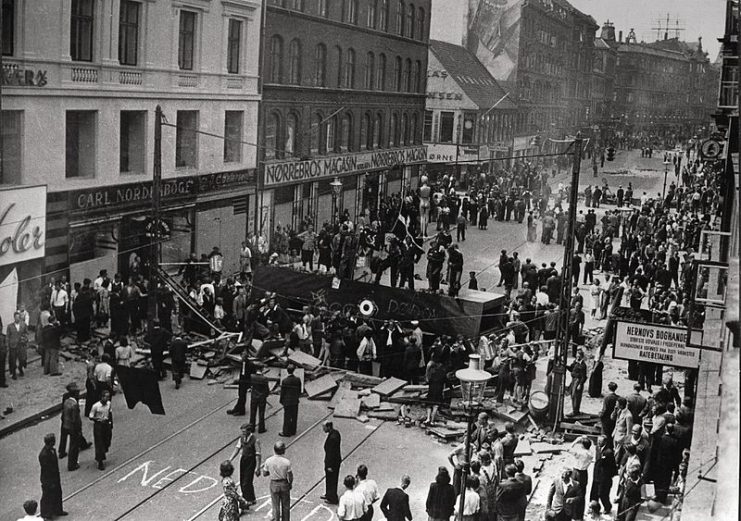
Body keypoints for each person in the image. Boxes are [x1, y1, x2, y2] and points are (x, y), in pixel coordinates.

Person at [229, 423, 261, 505]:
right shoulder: (242, 438)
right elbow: (237, 448)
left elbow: (258, 454)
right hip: (243, 460)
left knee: (247, 481)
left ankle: (247, 499)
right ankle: (251, 498)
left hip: (251, 461)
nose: (243, 433)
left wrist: (258, 467)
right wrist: (231, 459)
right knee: (242, 479)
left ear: (249, 431)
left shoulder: (255, 440)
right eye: (242, 431)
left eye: (244, 431)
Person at [262, 441, 293, 521]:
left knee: (275, 506)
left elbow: (264, 473)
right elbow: (290, 475)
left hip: (274, 483)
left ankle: (276, 519)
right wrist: (290, 483)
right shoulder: (286, 462)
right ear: (283, 451)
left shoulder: (268, 461)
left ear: (274, 450)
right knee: (285, 505)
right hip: (284, 483)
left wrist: (271, 472)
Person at [39, 433, 67, 518]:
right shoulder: (44, 455)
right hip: (48, 479)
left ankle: (58, 510)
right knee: (47, 496)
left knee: (58, 493)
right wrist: (51, 481)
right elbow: (46, 470)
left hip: (55, 476)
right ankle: (47, 513)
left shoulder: (52, 450)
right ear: (51, 442)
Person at [590, 436, 617, 516]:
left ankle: (607, 507)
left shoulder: (609, 452)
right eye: (598, 441)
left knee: (603, 494)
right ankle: (595, 509)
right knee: (594, 493)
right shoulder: (597, 448)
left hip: (605, 477)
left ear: (605, 442)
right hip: (597, 474)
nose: (598, 442)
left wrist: (609, 476)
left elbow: (612, 466)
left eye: (600, 441)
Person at [60, 382, 83, 471]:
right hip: (74, 428)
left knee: (72, 445)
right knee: (74, 447)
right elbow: (75, 419)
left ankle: (72, 463)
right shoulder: (74, 405)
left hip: (67, 426)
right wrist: (78, 429)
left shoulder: (66, 401)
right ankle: (72, 464)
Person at [88, 389, 113, 470]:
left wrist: (111, 423)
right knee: (99, 443)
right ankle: (100, 461)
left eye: (108, 397)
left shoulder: (109, 404)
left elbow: (110, 413)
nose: (107, 399)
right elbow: (91, 416)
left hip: (106, 424)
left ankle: (104, 450)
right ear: (102, 397)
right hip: (99, 425)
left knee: (107, 440)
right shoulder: (96, 406)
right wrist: (98, 419)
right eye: (106, 397)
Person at [228, 350, 255, 416]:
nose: (242, 358)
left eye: (243, 357)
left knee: (242, 396)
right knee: (240, 395)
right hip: (241, 381)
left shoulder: (250, 364)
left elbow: (253, 374)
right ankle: (237, 408)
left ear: (246, 357)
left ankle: (241, 411)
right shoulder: (242, 363)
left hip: (246, 382)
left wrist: (250, 384)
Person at [322, 421, 342, 504]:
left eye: (324, 427)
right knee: (329, 479)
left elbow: (331, 453)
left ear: (328, 427)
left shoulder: (332, 438)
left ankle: (332, 497)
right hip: (334, 461)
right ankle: (328, 494)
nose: (323, 429)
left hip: (332, 463)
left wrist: (329, 465)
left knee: (332, 480)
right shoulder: (335, 433)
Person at [279, 366, 302, 437]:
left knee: (287, 417)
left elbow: (283, 392)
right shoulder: (297, 379)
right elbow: (299, 390)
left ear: (287, 371)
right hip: (295, 400)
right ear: (293, 370)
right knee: (294, 416)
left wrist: (281, 400)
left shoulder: (284, 381)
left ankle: (286, 432)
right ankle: (293, 430)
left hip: (287, 401)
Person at [6, 311, 28, 379]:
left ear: (20, 318)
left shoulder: (23, 324)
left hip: (21, 345)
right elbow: (7, 336)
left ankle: (20, 368)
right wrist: (8, 345)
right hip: (13, 345)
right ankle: (14, 373)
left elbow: (26, 333)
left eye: (18, 317)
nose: (17, 319)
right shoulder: (10, 326)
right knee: (13, 359)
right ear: (14, 318)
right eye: (16, 317)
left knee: (22, 359)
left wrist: (25, 339)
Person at [250, 366, 270, 433]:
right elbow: (266, 389)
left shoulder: (252, 376)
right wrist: (266, 395)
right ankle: (261, 428)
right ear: (262, 370)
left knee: (253, 412)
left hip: (254, 396)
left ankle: (251, 427)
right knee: (261, 413)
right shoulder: (264, 378)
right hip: (261, 397)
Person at [568, 350, 588, 415]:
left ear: (581, 356)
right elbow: (571, 368)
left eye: (579, 356)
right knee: (572, 395)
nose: (577, 357)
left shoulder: (583, 365)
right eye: (577, 355)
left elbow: (584, 376)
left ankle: (575, 411)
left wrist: (580, 384)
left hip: (578, 381)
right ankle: (574, 409)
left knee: (576, 396)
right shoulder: (575, 362)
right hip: (573, 380)